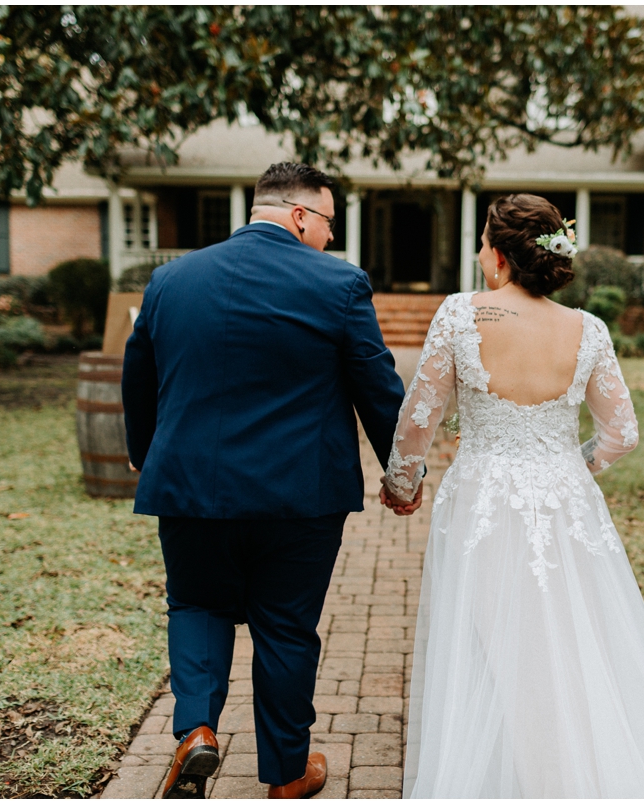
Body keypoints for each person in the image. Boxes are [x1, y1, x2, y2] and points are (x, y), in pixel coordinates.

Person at [381, 194, 644, 797]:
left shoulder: (461, 315)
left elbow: (419, 421)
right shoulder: (587, 329)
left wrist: (401, 485)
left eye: (482, 243)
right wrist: (569, 466)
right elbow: (622, 432)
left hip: (483, 504)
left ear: (496, 256)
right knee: (570, 648)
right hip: (566, 505)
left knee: (496, 651)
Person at [121, 162, 420, 799]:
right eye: (329, 223)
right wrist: (402, 474)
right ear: (301, 216)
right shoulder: (339, 285)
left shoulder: (171, 280)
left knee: (197, 604)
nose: (331, 239)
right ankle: (285, 773)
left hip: (191, 487)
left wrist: (145, 454)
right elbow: (377, 387)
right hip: (299, 496)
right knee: (285, 625)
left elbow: (139, 376)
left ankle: (196, 732)